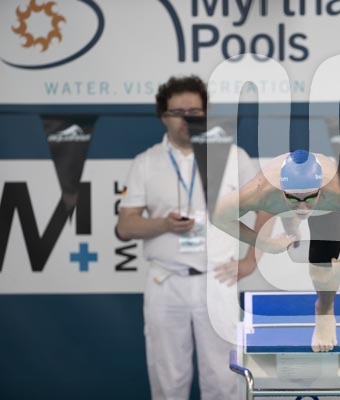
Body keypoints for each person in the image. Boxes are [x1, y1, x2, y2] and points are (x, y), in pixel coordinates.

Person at [116, 75, 270, 399]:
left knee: (224, 380)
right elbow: (126, 226)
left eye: (195, 112)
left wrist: (251, 260)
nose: (187, 119)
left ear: (206, 113)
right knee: (168, 381)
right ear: (164, 116)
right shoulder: (146, 163)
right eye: (178, 112)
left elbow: (267, 207)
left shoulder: (233, 156)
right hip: (165, 281)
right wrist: (163, 225)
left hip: (218, 279)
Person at [213, 149, 340, 352]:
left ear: (320, 190)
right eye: (294, 198)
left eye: (309, 197)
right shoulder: (260, 191)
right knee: (288, 217)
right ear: (282, 190)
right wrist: (262, 243)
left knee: (322, 272)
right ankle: (291, 225)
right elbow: (218, 217)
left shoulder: (339, 192)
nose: (303, 206)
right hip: (277, 200)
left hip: (324, 208)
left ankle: (325, 311)